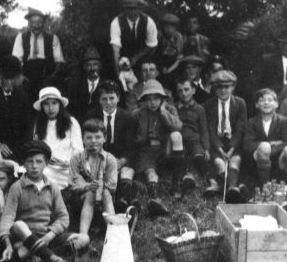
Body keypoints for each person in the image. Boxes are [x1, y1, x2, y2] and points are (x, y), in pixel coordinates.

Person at [0, 140, 75, 262]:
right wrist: (8, 244)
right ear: (24, 164)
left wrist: (49, 235)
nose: (34, 166)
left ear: (46, 163)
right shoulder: (17, 187)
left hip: (45, 237)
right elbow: (7, 217)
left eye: (39, 161)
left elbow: (64, 217)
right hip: (23, 238)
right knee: (19, 225)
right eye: (29, 162)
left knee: (83, 239)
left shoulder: (52, 187)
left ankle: (38, 258)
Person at [84, 80, 138, 213]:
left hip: (120, 156)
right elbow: (89, 141)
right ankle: (100, 206)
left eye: (112, 98)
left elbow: (131, 144)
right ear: (99, 100)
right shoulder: (92, 115)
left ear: (118, 98)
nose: (108, 103)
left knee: (126, 172)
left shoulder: (127, 117)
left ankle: (123, 200)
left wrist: (123, 160)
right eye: (104, 99)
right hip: (100, 155)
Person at [132, 79, 183, 216]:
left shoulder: (169, 109)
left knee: (176, 135)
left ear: (162, 99)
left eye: (156, 99)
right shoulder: (138, 113)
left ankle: (176, 183)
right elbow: (134, 136)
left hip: (164, 147)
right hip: (147, 148)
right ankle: (154, 199)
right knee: (150, 172)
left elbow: (177, 126)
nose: (152, 103)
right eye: (149, 99)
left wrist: (163, 111)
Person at [68, 119, 118, 249]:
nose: (93, 141)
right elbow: (75, 183)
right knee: (90, 193)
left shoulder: (110, 159)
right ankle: (83, 234)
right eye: (89, 137)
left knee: (106, 193)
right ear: (83, 139)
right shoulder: (76, 158)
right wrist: (89, 187)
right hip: (81, 199)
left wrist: (100, 187)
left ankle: (113, 233)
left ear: (105, 138)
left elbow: (112, 184)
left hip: (104, 199)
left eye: (97, 137)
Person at [204, 70, 247, 203]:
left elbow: (241, 128)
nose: (223, 91)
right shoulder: (209, 105)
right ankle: (231, 187)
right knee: (219, 164)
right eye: (219, 87)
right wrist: (220, 149)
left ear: (233, 87)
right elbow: (210, 129)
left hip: (235, 142)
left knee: (235, 161)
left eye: (227, 87)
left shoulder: (240, 103)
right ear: (214, 88)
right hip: (218, 143)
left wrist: (232, 148)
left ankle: (231, 189)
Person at [33, 87, 83, 190]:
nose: (51, 108)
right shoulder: (39, 124)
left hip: (67, 168)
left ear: (60, 104)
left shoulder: (71, 122)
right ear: (42, 106)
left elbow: (78, 149)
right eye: (46, 104)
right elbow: (37, 149)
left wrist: (67, 162)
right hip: (47, 166)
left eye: (54, 103)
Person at [175, 77, 217, 197]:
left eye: (187, 89)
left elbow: (204, 130)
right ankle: (183, 182)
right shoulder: (175, 108)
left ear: (194, 90)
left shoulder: (199, 109)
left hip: (195, 141)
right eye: (180, 91)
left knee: (199, 157)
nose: (183, 93)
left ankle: (212, 182)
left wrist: (207, 148)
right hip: (180, 140)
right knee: (181, 157)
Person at [0, 55, 33, 162]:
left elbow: (27, 127)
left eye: (15, 79)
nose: (11, 82)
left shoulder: (23, 96)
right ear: (1, 76)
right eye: (8, 78)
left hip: (17, 150)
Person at [12, 8, 65, 97]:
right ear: (28, 24)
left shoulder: (53, 38)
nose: (36, 26)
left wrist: (52, 78)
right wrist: (20, 76)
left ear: (44, 23)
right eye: (33, 22)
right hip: (26, 77)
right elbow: (16, 60)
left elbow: (59, 60)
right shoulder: (21, 37)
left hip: (47, 76)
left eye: (39, 22)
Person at [243, 88, 287, 188]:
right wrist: (268, 145)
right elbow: (247, 144)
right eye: (262, 100)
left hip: (278, 160)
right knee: (264, 147)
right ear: (256, 105)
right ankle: (264, 188)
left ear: (276, 104)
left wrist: (270, 149)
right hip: (258, 161)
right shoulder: (251, 122)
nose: (266, 103)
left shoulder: (283, 121)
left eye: (270, 100)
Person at [110, 0, 158, 76]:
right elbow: (116, 50)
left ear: (140, 9)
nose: (132, 12)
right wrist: (118, 71)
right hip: (123, 58)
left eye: (135, 8)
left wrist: (136, 58)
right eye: (129, 8)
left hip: (143, 57)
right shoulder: (116, 22)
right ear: (125, 9)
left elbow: (151, 45)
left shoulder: (149, 22)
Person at [67, 46, 108, 123]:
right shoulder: (76, 86)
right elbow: (71, 109)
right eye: (89, 65)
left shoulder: (106, 85)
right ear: (84, 67)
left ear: (100, 67)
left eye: (95, 64)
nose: (92, 68)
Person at [156, 13, 184, 90]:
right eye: (165, 26)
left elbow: (179, 58)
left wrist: (169, 70)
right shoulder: (161, 37)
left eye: (171, 26)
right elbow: (158, 54)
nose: (167, 29)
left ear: (175, 27)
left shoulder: (178, 37)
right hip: (162, 65)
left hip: (174, 66)